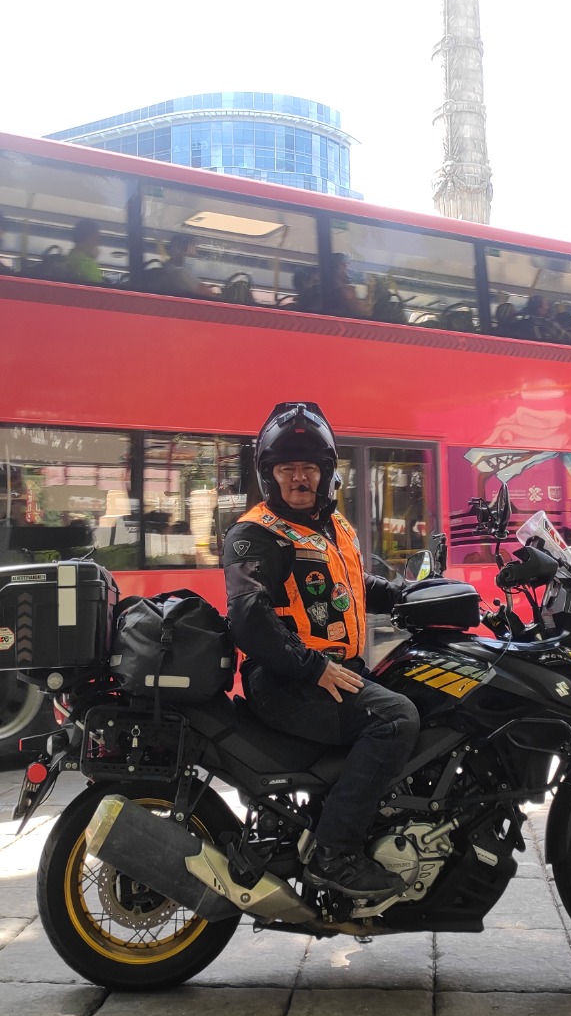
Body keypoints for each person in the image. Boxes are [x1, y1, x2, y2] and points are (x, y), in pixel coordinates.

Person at [223, 401, 420, 898]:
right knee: (395, 719)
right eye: (287, 469)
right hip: (287, 683)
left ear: (326, 472)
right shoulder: (257, 533)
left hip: (332, 671)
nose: (299, 478)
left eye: (308, 467)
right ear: (270, 476)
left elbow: (354, 586)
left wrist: (414, 596)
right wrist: (314, 669)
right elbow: (248, 616)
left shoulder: (333, 528)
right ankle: (336, 853)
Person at [153, 234, 215, 298]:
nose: (195, 254)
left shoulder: (168, 269)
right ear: (181, 250)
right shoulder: (180, 273)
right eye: (194, 248)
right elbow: (208, 296)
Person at [63, 220, 104, 285]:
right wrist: (92, 260)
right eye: (96, 239)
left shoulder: (71, 258)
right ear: (88, 238)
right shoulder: (83, 263)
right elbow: (96, 284)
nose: (97, 244)